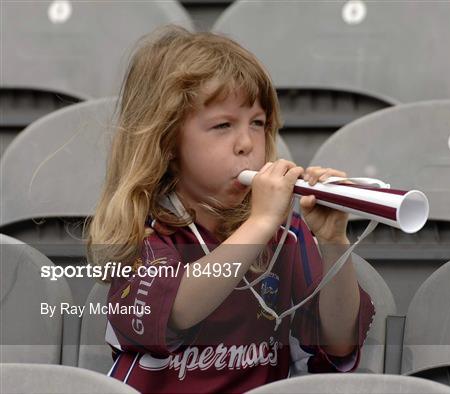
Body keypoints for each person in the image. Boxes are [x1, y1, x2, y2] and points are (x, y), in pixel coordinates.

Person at [86, 24, 375, 394]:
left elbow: (338, 343)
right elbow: (178, 311)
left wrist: (334, 241)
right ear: (167, 143)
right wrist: (260, 221)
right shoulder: (145, 232)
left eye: (257, 123)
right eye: (223, 125)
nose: (246, 143)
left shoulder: (287, 234)